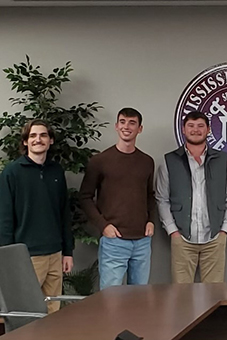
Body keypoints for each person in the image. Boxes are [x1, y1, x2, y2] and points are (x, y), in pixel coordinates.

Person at [0, 119, 74, 313]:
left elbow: (63, 212)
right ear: (25, 142)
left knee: (53, 311)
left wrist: (68, 251)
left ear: (50, 140)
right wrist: (8, 259)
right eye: (32, 136)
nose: (38, 139)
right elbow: (5, 217)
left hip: (55, 255)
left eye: (43, 135)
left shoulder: (56, 171)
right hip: (27, 256)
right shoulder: (12, 172)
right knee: (25, 313)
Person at [156, 110, 227, 283]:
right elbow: (162, 199)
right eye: (191, 126)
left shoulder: (223, 159)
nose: (196, 130)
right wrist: (173, 231)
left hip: (215, 237)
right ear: (183, 130)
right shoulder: (169, 160)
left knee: (214, 294)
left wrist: (224, 230)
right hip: (182, 238)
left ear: (208, 130)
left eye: (201, 126)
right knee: (181, 295)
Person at [80, 108, 155, 290]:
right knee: (110, 299)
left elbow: (149, 195)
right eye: (122, 122)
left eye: (132, 123)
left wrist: (151, 220)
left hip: (142, 241)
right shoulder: (100, 161)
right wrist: (103, 226)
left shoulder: (147, 161)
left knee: (139, 299)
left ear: (140, 128)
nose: (126, 127)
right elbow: (84, 197)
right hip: (114, 241)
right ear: (116, 126)